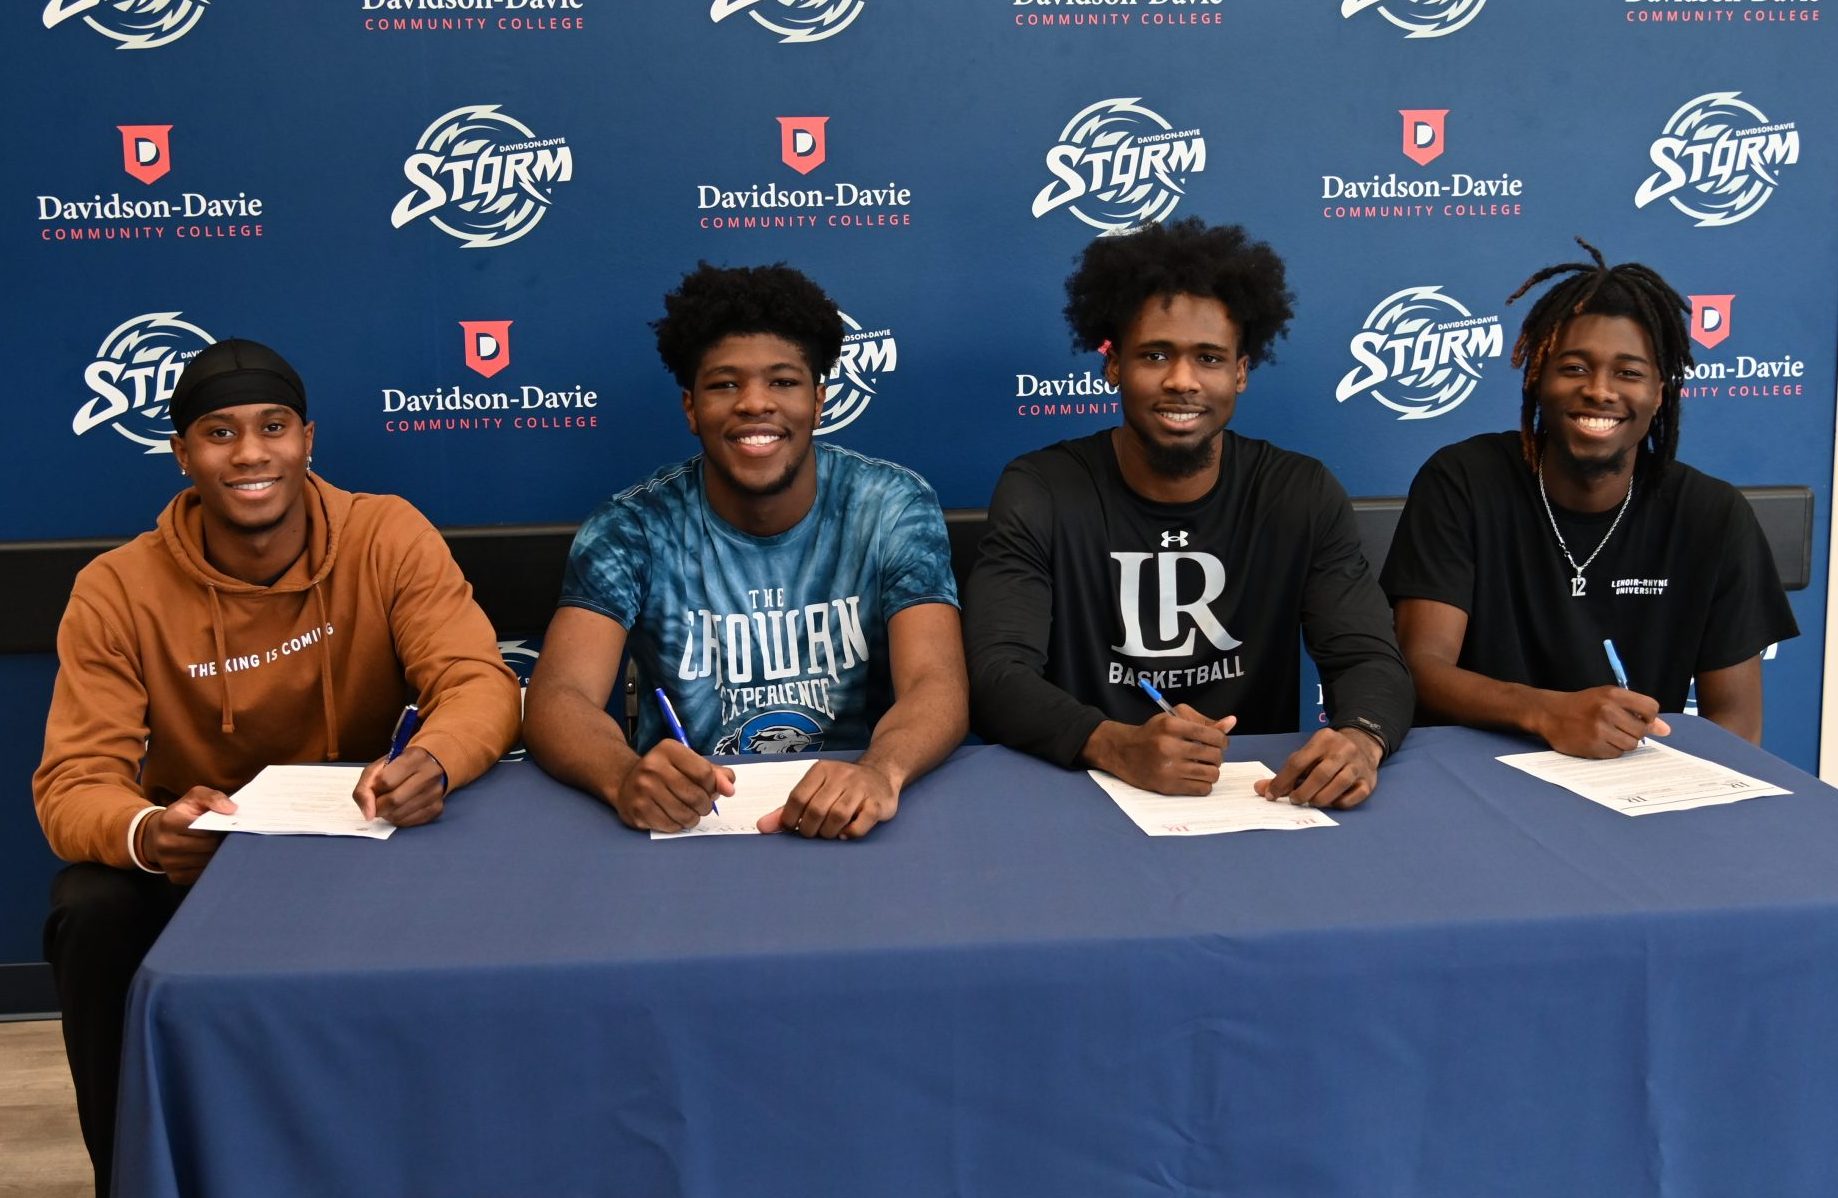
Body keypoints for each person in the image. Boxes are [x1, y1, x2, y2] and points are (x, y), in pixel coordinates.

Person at [34, 338, 522, 1195]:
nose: (251, 453)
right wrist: (150, 833)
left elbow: (479, 682)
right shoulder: (116, 588)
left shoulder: (384, 532)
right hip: (212, 854)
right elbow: (74, 784)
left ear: (308, 439)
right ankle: (134, 1173)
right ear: (183, 454)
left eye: (273, 428)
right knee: (91, 905)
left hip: (372, 829)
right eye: (219, 434)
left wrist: (435, 762)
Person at [965, 218, 1412, 808]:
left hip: (1251, 796)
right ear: (1114, 366)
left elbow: (1368, 657)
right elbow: (997, 673)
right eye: (1155, 354)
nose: (1182, 380)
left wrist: (1361, 738)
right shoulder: (1042, 488)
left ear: (1241, 372)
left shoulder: (1297, 490)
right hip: (1076, 789)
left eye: (1208, 357)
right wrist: (1113, 744)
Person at [523, 262, 966, 839]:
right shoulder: (630, 527)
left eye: (782, 381)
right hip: (693, 819)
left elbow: (938, 683)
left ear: (820, 400)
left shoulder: (891, 506)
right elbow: (559, 696)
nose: (754, 403)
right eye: (725, 384)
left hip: (858, 804)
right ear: (690, 408)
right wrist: (623, 774)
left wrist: (882, 771)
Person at [1381, 238, 1797, 757]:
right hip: (1478, 776)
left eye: (1629, 372)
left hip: (1633, 784)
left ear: (1659, 394)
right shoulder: (1463, 480)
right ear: (1539, 378)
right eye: (1575, 367)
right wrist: (1548, 712)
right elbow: (1422, 669)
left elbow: (1736, 723)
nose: (1600, 390)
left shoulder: (1711, 514)